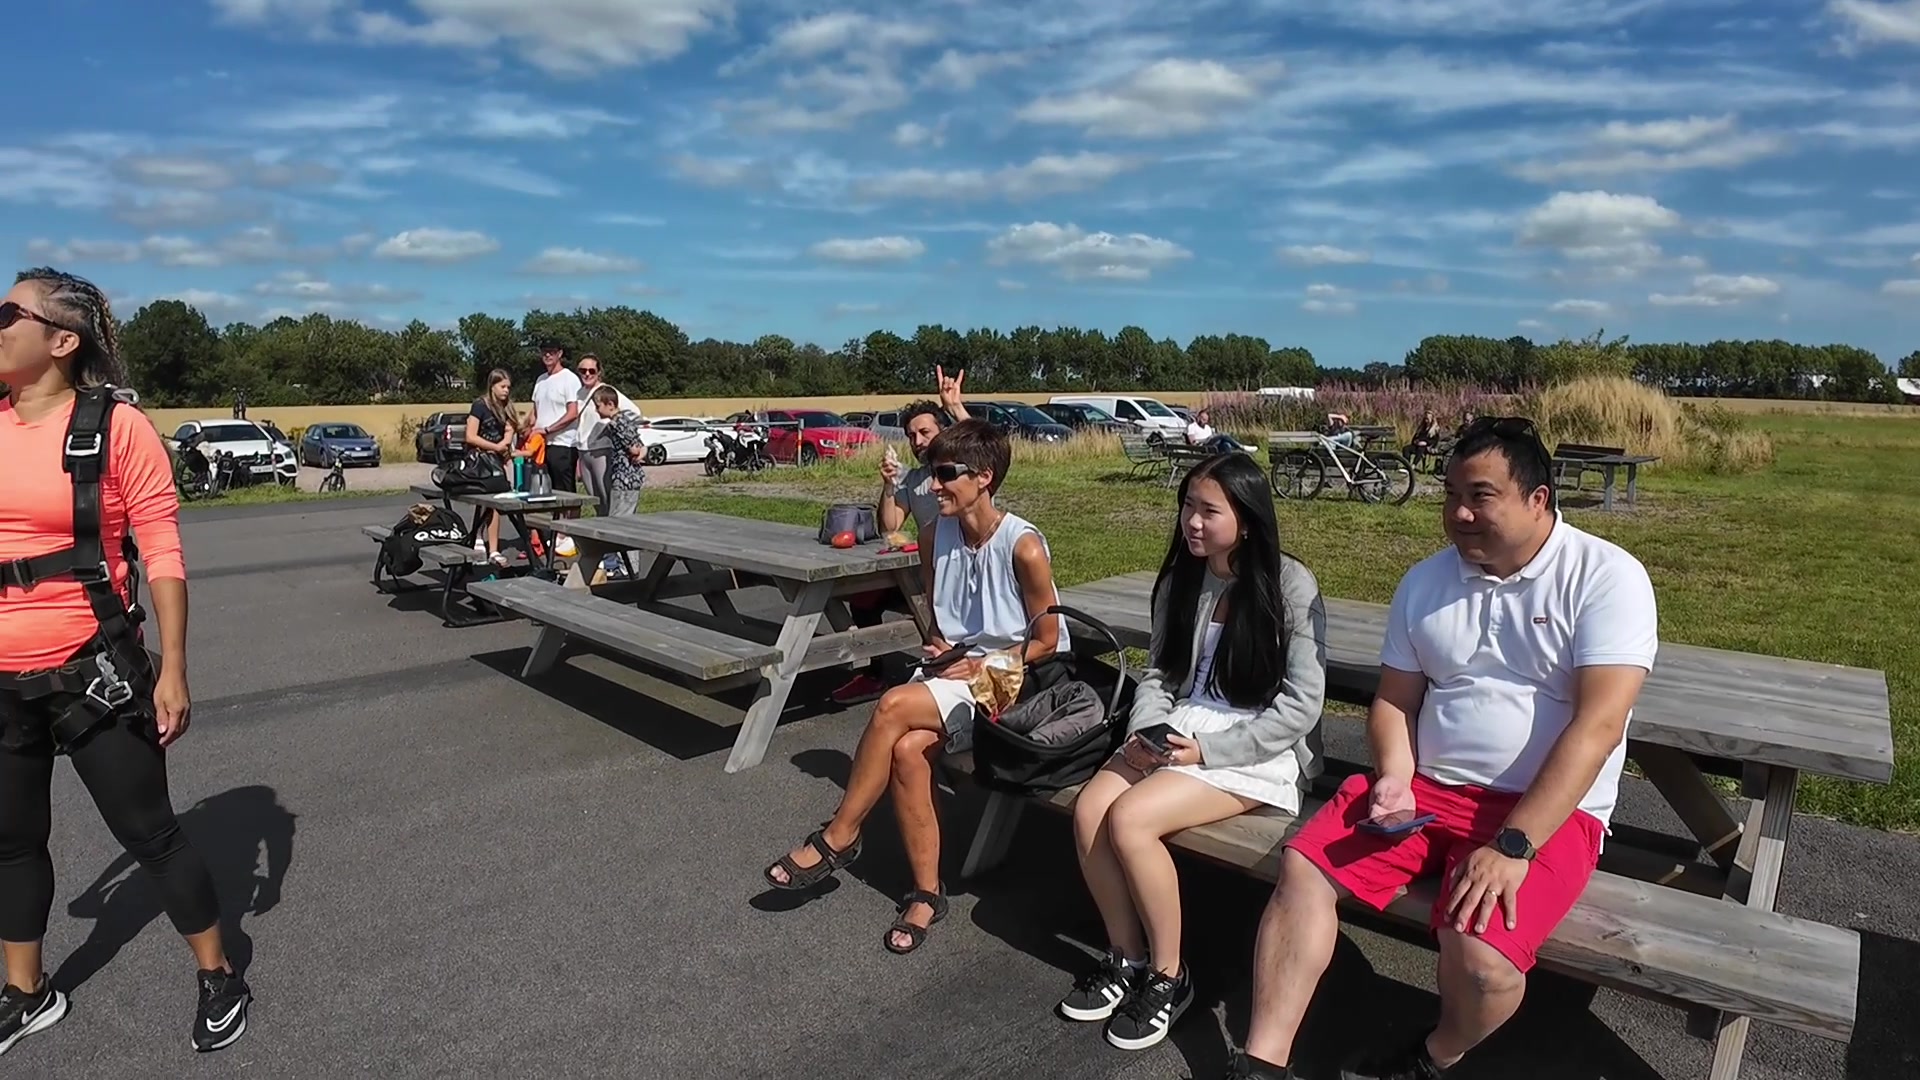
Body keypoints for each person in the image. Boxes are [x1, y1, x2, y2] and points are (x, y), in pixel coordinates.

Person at [1224, 417, 1658, 1080]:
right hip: (1427, 792)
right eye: (1450, 493)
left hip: (1546, 812)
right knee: (1306, 870)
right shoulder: (1425, 583)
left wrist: (1514, 845)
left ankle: (1434, 1054)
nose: (1458, 512)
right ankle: (1264, 1063)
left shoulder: (1606, 577)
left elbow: (1598, 726)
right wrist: (1394, 776)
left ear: (1538, 499)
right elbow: (1395, 701)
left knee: (1481, 962)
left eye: (1480, 496)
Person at [0, 267, 251, 1055]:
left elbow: (162, 549)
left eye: (8, 312)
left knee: (150, 834)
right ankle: (26, 992)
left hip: (92, 670)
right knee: (11, 841)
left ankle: (218, 973)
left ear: (61, 341)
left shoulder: (117, 428)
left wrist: (173, 668)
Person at [763, 419, 1066, 954]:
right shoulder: (933, 535)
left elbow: (1049, 640)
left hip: (1012, 678)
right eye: (930, 472)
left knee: (891, 706)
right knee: (907, 751)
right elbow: (941, 619)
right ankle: (927, 893)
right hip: (955, 672)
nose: (932, 484)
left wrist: (984, 663)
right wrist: (943, 647)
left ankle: (840, 835)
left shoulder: (1024, 546)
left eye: (945, 473)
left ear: (984, 477)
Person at [1064, 453, 1327, 1052]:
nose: (1192, 522)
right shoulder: (1182, 577)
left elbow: (1301, 705)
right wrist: (1148, 731)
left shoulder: (1290, 584)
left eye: (1209, 511)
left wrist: (1206, 751)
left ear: (1248, 519)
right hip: (1180, 727)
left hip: (1255, 744)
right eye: (1188, 506)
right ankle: (1126, 956)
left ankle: (1168, 975)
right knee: (1090, 809)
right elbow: (1160, 673)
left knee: (1131, 820)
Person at [829, 370, 970, 705]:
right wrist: (890, 485)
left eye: (925, 432)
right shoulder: (914, 478)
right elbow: (890, 526)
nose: (917, 441)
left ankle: (946, 667)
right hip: (923, 571)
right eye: (911, 435)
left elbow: (985, 446)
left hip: (960, 572)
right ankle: (873, 675)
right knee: (864, 597)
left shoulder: (964, 470)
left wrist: (955, 406)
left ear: (945, 432)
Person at [463, 368, 529, 568]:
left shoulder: (507, 407)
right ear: (492, 386)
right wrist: (494, 446)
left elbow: (510, 429)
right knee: (486, 502)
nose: (506, 391)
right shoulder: (480, 406)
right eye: (502, 386)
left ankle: (492, 548)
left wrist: (505, 443)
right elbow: (470, 436)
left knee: (495, 503)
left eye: (508, 387)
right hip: (480, 459)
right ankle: (479, 538)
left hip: (498, 461)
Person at [528, 341, 582, 558]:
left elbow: (573, 412)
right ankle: (552, 533)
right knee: (544, 491)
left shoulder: (570, 379)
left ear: (560, 354)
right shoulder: (541, 380)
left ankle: (570, 533)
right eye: (544, 352)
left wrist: (549, 429)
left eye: (551, 352)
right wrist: (527, 431)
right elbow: (534, 412)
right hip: (541, 445)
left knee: (566, 491)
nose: (548, 356)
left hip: (563, 443)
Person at [589, 385, 647, 572]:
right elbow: (640, 444)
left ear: (610, 404)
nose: (596, 410)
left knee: (619, 524)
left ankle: (626, 567)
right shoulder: (626, 420)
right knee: (626, 522)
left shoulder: (617, 423)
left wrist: (635, 451)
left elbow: (634, 448)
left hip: (624, 479)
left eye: (598, 406)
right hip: (630, 478)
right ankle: (627, 566)